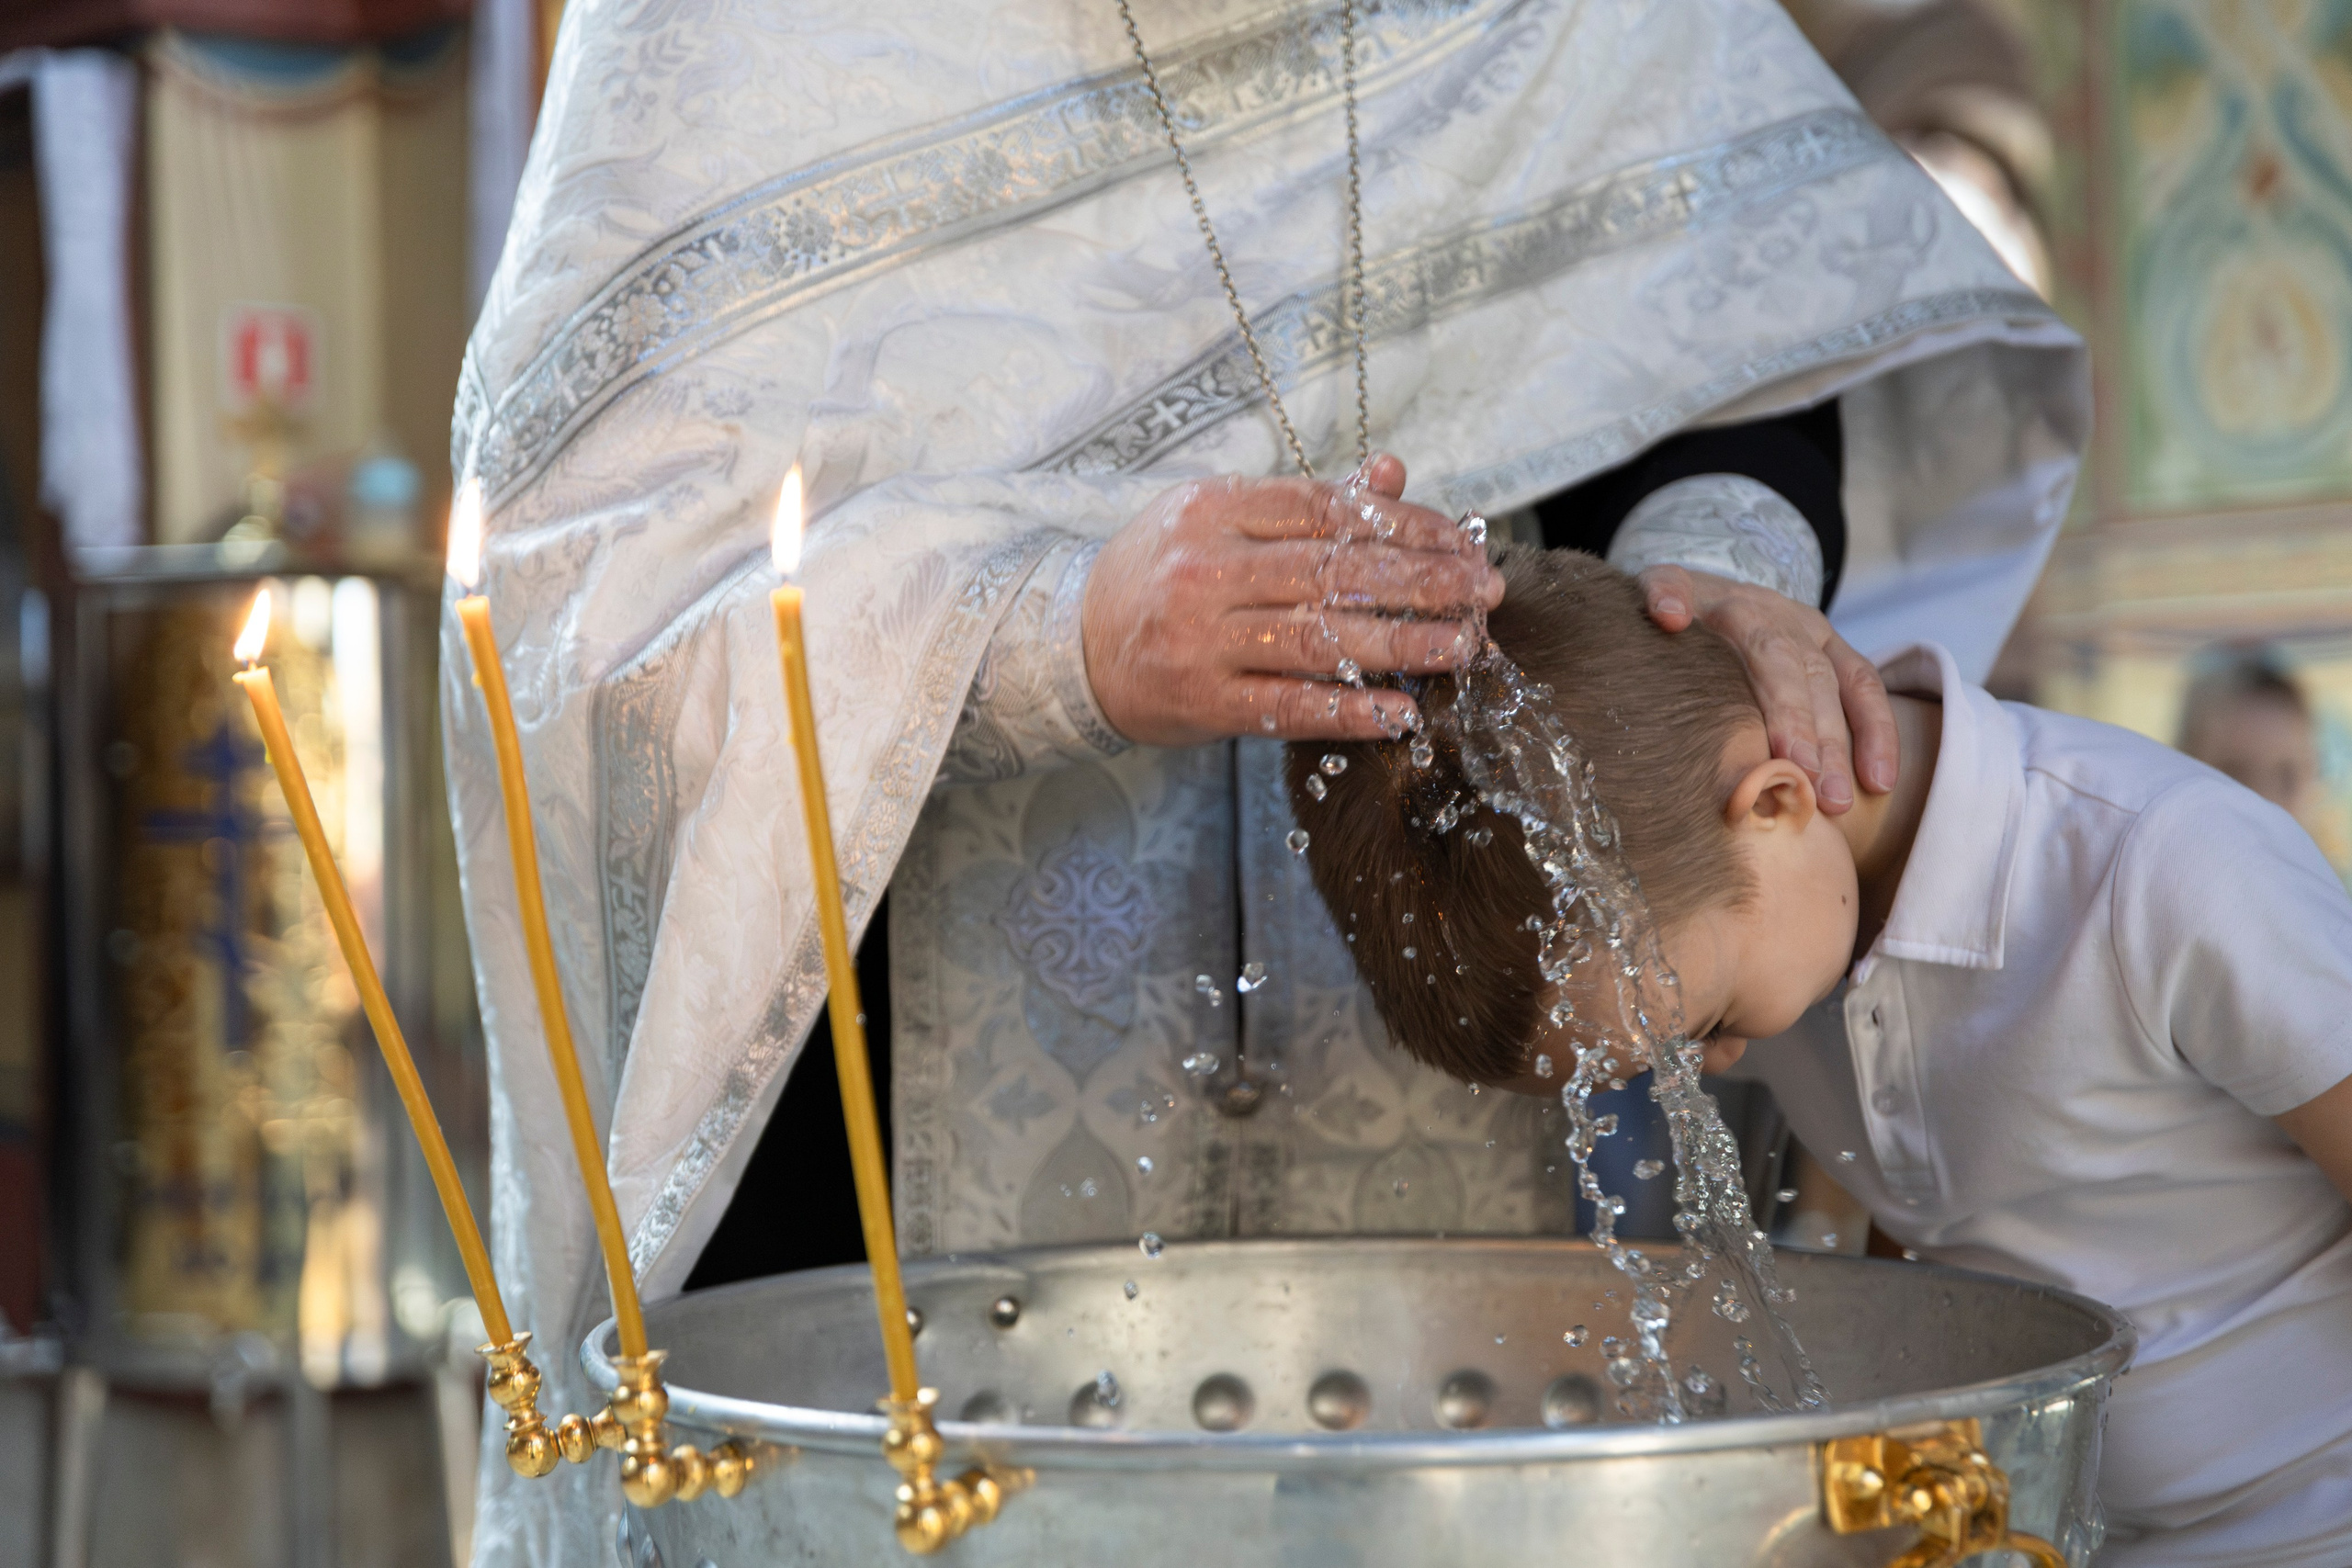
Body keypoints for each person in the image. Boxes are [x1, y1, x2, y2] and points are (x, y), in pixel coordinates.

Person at [447, 1, 2086, 1555]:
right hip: (918, 1201)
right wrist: (1043, 631)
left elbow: (1736, 327)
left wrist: (1699, 598)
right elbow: (587, 607)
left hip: (1525, 1154)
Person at [1297, 546, 2352, 1566]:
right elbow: (1941, 1235)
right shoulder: (1787, 922)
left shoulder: (2160, 871)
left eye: (1696, 1022)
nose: (1705, 1065)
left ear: (1777, 801)